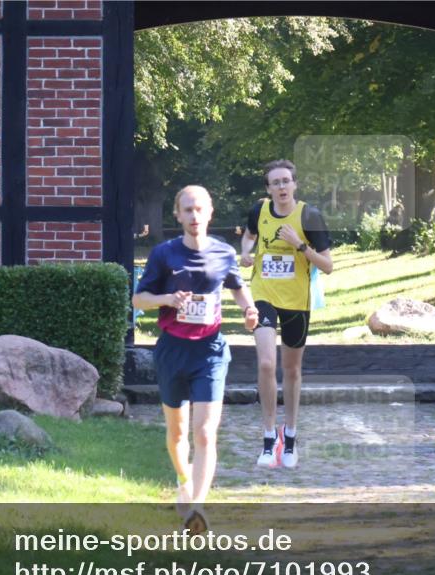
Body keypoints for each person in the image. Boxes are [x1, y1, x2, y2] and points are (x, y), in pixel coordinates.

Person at [133, 185, 258, 534]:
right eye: (187, 210)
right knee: (177, 433)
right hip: (173, 349)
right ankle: (183, 479)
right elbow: (138, 300)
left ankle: (198, 508)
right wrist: (168, 299)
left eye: (199, 209)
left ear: (210, 212)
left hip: (211, 351)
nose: (194, 216)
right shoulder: (163, 254)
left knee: (204, 432)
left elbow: (235, 285)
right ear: (177, 214)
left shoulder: (223, 251)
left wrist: (248, 309)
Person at [240, 160, 333, 469]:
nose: (281, 187)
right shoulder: (259, 211)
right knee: (266, 363)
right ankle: (268, 439)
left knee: (291, 371)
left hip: (297, 300)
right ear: (268, 189)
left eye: (285, 181)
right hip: (264, 293)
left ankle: (290, 436)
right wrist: (245, 252)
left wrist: (300, 245)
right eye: (275, 183)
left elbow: (328, 266)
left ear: (295, 184)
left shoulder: (310, 216)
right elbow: (250, 235)